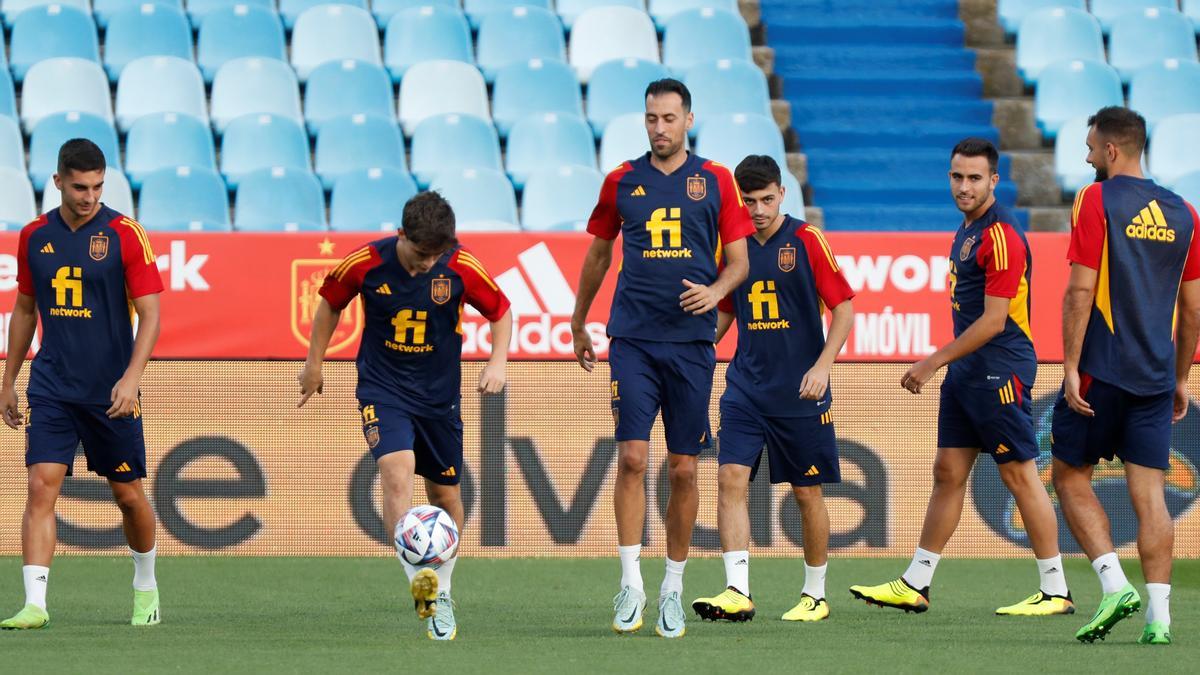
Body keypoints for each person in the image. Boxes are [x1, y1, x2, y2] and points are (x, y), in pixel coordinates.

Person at [849, 138, 1074, 617]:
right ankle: (916, 582)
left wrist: (933, 361)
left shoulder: (1001, 235)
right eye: (957, 176)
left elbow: (994, 320)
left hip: (1001, 368)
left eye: (975, 177)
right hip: (969, 371)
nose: (964, 186)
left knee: (1019, 474)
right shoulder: (966, 229)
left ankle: (1056, 589)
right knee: (947, 473)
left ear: (994, 180)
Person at [571, 78, 754, 638]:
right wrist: (579, 320)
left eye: (669, 118)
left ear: (689, 120)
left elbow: (741, 263)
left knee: (682, 468)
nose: (659, 128)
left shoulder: (718, 181)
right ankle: (631, 582)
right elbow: (600, 254)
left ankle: (673, 584)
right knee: (629, 458)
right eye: (651, 118)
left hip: (692, 345)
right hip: (632, 340)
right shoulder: (622, 180)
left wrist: (717, 292)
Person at [298, 192, 512, 641]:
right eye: (418, 255)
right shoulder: (366, 262)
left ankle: (444, 590)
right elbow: (330, 304)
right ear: (400, 236)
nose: (425, 265)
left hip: (439, 397)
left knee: (446, 496)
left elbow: (500, 311)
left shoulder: (460, 265)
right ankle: (421, 585)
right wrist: (314, 363)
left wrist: (497, 361)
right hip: (383, 387)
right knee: (397, 473)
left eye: (434, 256)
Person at [1051, 106, 1200, 645]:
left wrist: (1069, 367)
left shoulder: (1096, 198)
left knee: (1069, 476)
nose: (1088, 156)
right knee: (1152, 496)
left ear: (1113, 150)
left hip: (1100, 371)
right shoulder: (1185, 212)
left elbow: (1080, 290)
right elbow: (1193, 309)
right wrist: (1181, 377)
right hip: (1157, 376)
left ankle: (1115, 586)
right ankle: (1160, 620)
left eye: (1091, 147)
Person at [1, 139, 164, 629]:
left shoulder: (125, 234)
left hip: (111, 392)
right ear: (57, 182)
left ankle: (145, 586)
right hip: (51, 384)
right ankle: (35, 604)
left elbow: (152, 315)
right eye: (78, 187)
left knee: (129, 496)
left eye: (96, 186)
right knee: (39, 485)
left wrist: (132, 378)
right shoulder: (33, 237)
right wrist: (9, 378)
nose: (89, 196)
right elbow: (26, 309)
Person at [690, 155, 854, 624]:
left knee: (806, 494)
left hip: (800, 391)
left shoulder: (807, 240)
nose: (758, 209)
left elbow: (843, 309)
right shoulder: (733, 249)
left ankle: (815, 595)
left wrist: (824, 366)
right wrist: (696, 353)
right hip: (745, 388)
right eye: (748, 201)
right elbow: (728, 313)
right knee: (729, 480)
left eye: (766, 199)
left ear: (782, 194)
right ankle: (737, 589)